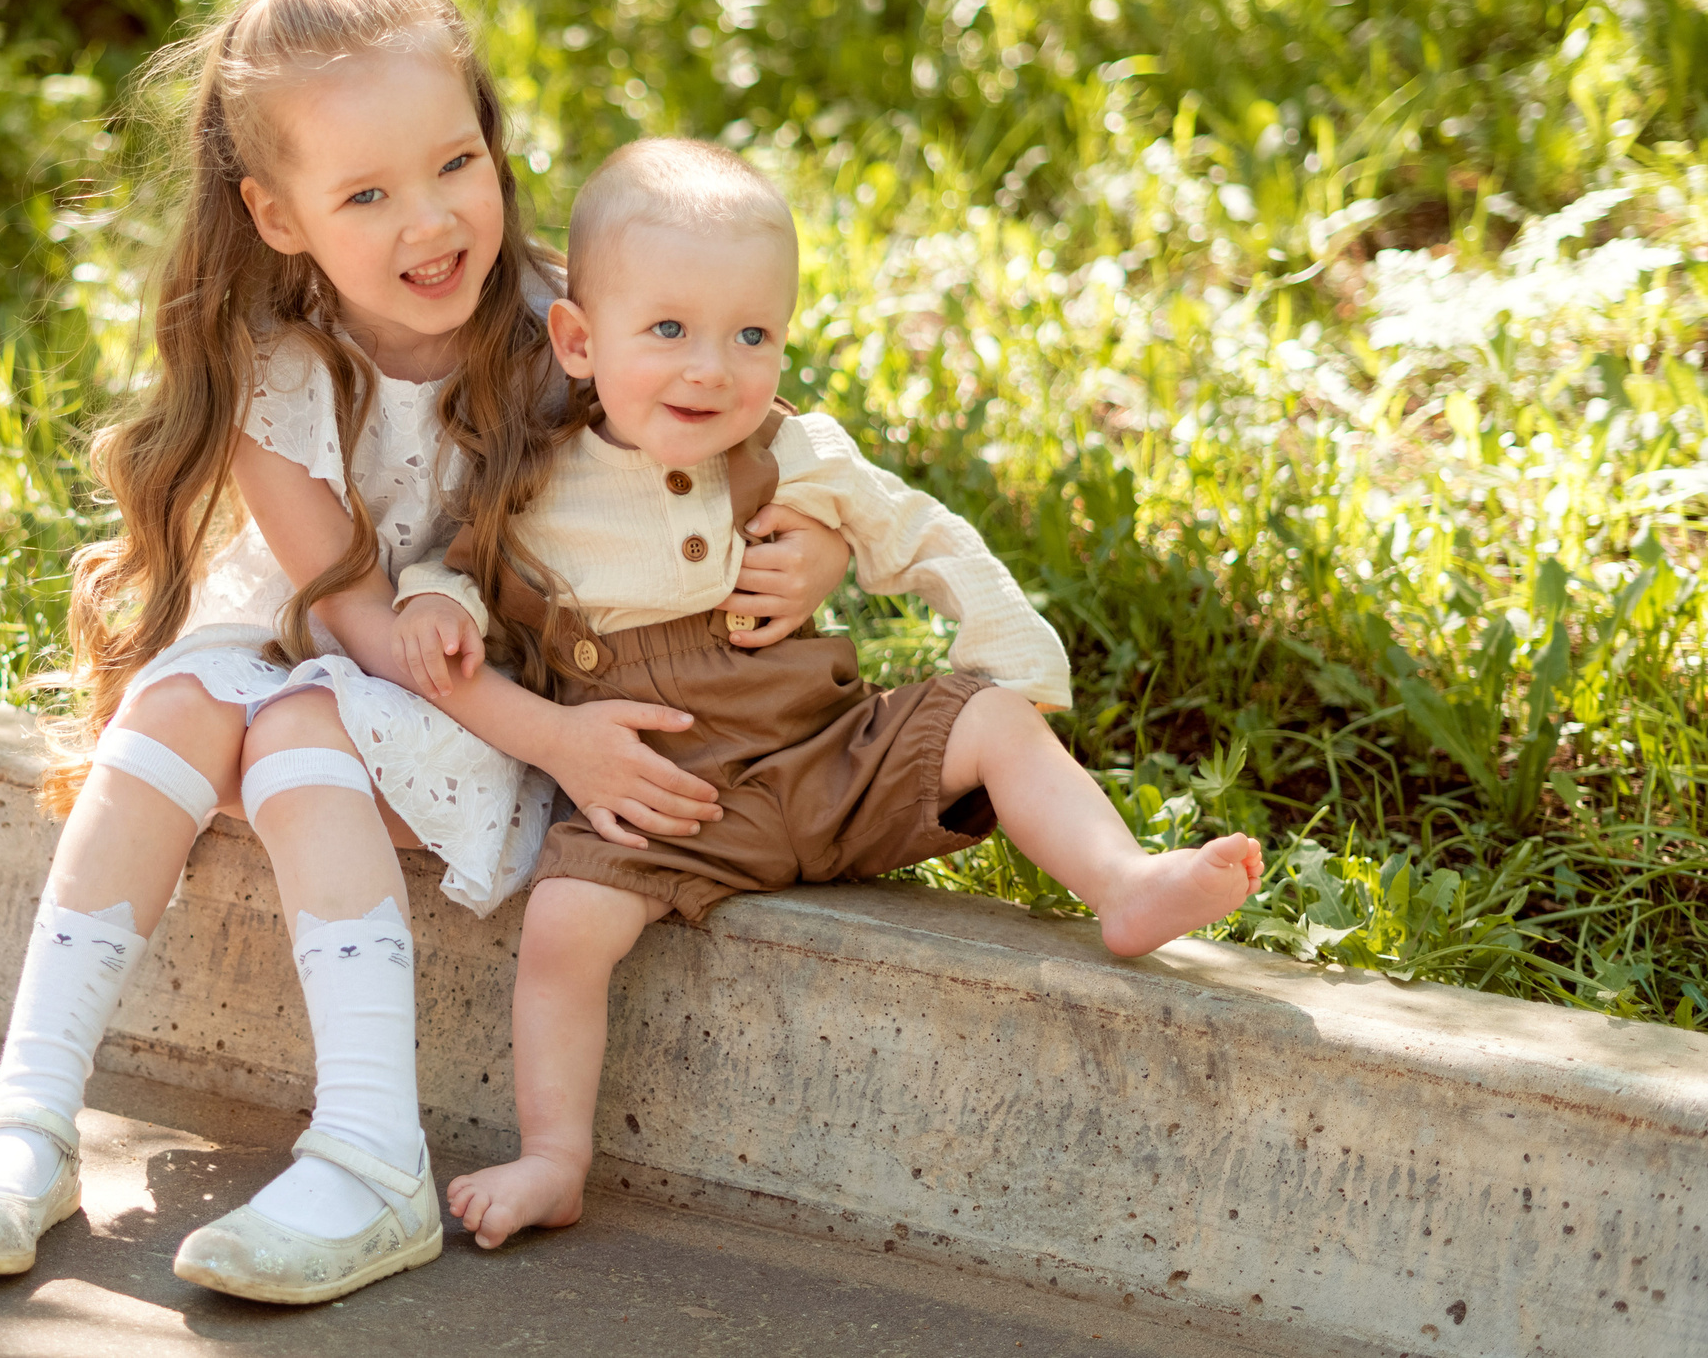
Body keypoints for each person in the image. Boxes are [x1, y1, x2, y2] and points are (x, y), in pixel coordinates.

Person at [0, 0, 856, 1303]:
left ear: (491, 140)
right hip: (359, 643)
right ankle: (27, 1119)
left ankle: (370, 1152)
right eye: (366, 191)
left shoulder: (561, 326)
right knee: (177, 702)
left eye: (454, 163)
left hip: (497, 677)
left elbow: (757, 419)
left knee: (294, 724)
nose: (431, 222)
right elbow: (346, 612)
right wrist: (555, 739)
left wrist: (815, 538)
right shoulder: (272, 368)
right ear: (279, 215)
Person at [391, 139, 1269, 1250]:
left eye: (750, 335)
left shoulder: (795, 453)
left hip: (828, 758)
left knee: (985, 720)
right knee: (564, 928)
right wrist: (436, 609)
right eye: (666, 331)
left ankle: (1123, 880)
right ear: (578, 341)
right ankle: (555, 1155)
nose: (710, 368)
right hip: (666, 807)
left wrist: (1013, 655)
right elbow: (455, 567)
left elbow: (922, 537)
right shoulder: (535, 480)